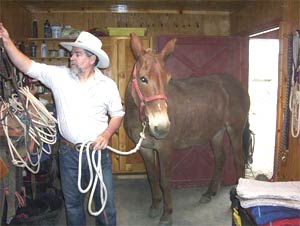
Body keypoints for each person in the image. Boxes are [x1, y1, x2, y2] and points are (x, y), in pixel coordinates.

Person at [0, 22, 124, 226]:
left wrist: (107, 134)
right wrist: (6, 40)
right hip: (69, 154)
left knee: (105, 205)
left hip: (97, 154)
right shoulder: (59, 77)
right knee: (73, 205)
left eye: (77, 54)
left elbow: (117, 115)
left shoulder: (107, 86)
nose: (71, 57)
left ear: (92, 59)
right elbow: (26, 65)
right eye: (72, 53)